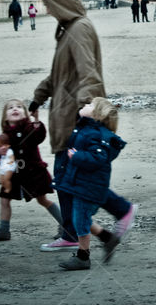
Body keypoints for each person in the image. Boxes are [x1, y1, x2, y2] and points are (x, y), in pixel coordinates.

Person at [28, 0, 136, 256]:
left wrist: (90, 116)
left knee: (70, 178)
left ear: (60, 1)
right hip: (67, 116)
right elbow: (57, 76)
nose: (47, 9)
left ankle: (115, 213)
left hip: (76, 119)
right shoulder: (69, 30)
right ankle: (72, 231)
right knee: (68, 178)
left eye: (49, 3)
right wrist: (37, 98)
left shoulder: (79, 29)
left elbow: (90, 74)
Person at [55, 98, 129, 270]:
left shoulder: (94, 133)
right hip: (82, 184)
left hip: (89, 187)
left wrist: (77, 156)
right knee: (80, 218)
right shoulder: (87, 129)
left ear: (97, 114)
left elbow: (99, 158)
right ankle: (107, 238)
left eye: (89, 105)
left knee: (80, 220)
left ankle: (83, 257)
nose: (84, 106)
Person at [0, 99, 63, 242]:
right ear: (5, 117)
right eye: (11, 108)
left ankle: (65, 226)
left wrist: (37, 119)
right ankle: (3, 231)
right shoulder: (4, 137)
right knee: (4, 200)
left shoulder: (29, 128)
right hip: (13, 177)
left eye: (19, 107)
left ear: (25, 114)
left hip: (34, 174)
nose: (15, 109)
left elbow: (39, 135)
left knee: (43, 200)